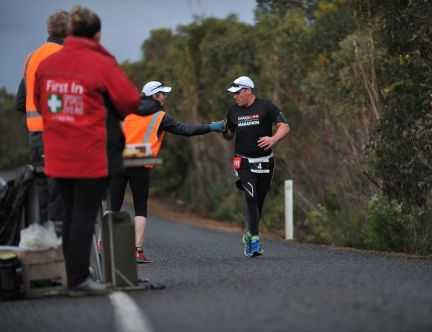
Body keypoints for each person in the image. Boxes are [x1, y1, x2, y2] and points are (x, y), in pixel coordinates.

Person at [34, 6, 142, 295]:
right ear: (98, 34)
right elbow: (131, 100)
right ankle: (79, 279)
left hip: (57, 153)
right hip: (88, 154)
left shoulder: (47, 64)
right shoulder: (100, 63)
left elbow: (37, 99)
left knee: (67, 214)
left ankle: (70, 276)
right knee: (84, 214)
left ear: (69, 32)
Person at [110, 80, 225, 264]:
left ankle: (103, 243)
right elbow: (185, 130)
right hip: (142, 159)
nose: (165, 97)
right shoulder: (160, 116)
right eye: (162, 93)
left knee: (113, 202)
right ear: (154, 95)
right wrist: (211, 127)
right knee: (140, 206)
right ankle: (137, 251)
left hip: (120, 158)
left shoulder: (125, 109)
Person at [223, 76, 290, 257]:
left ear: (247, 91)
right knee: (251, 197)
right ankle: (255, 242)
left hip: (265, 161)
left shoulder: (266, 107)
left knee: (259, 200)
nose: (234, 97)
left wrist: (273, 139)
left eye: (237, 93)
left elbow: (285, 126)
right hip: (242, 161)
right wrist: (223, 131)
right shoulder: (233, 111)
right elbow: (229, 133)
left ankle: (250, 232)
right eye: (233, 94)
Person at [15, 10, 69, 230]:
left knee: (44, 197)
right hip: (61, 136)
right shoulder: (66, 57)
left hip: (36, 138)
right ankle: (65, 255)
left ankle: (46, 256)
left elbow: (20, 102)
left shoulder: (32, 58)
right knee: (63, 198)